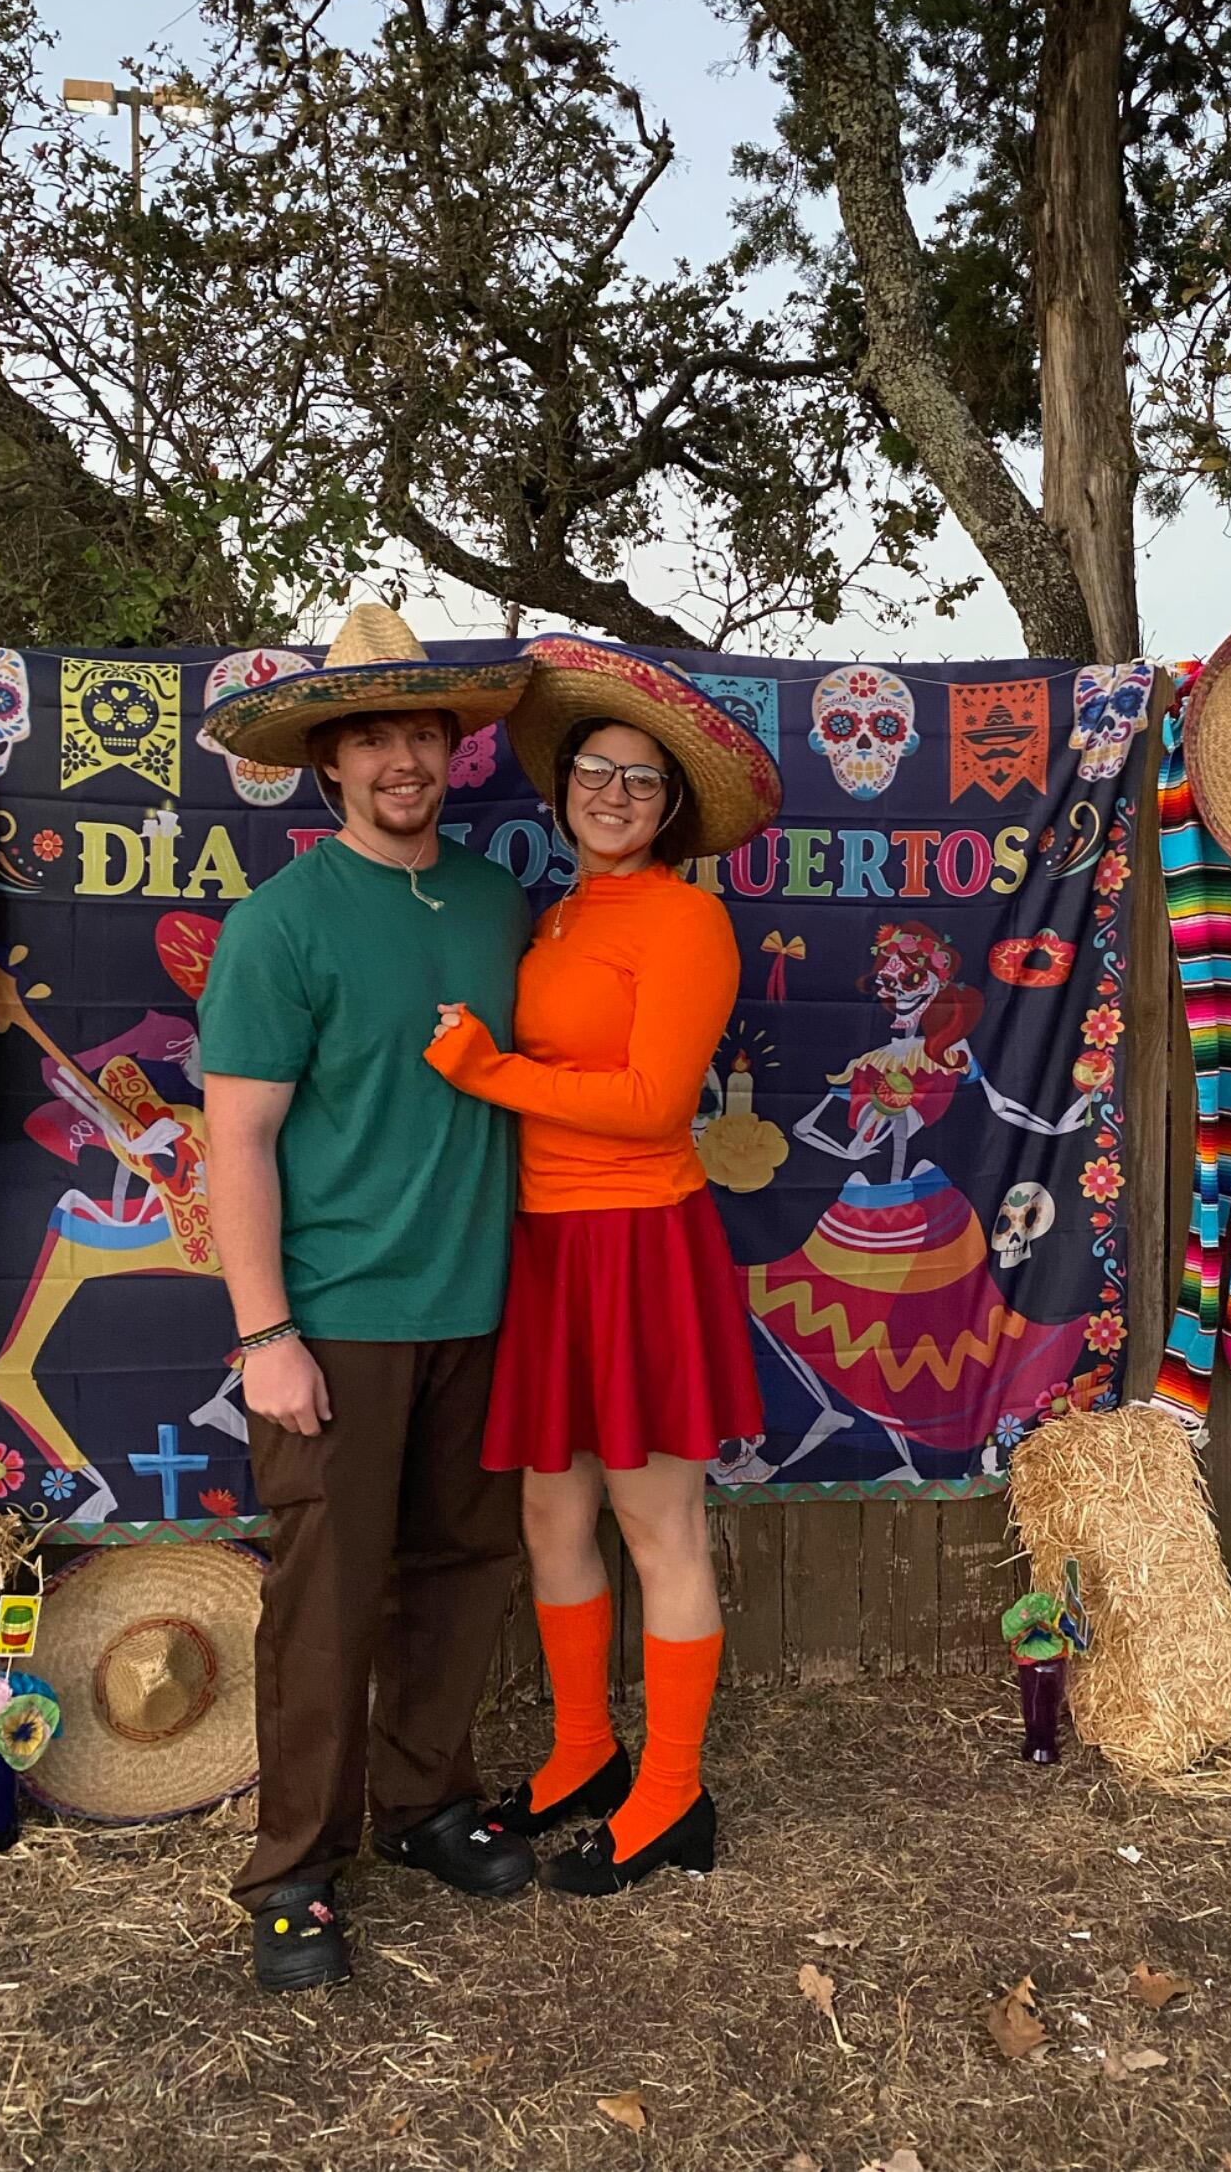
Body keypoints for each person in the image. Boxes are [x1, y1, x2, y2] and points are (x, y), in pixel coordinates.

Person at [197, 603, 537, 1994]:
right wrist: (264, 1331)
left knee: (460, 1571)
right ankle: (290, 1872)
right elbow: (238, 1143)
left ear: (453, 748)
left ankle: (425, 1803)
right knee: (326, 1599)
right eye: (372, 737)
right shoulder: (280, 927)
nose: (404, 758)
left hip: (484, 1305)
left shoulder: (494, 901)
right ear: (325, 762)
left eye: (424, 732)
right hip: (334, 1316)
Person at [424, 635, 782, 1896]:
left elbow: (649, 1102)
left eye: (641, 779)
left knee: (655, 1519)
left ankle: (675, 1792)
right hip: (546, 1243)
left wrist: (489, 1073)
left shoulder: (685, 920)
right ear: (563, 783)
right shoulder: (564, 911)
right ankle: (585, 1749)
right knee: (548, 1511)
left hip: (638, 1242)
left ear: (674, 806)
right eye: (594, 769)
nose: (614, 792)